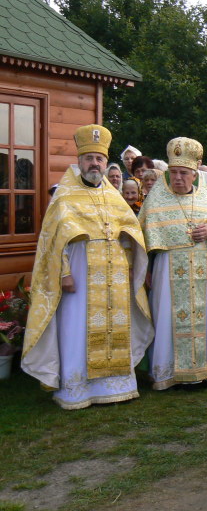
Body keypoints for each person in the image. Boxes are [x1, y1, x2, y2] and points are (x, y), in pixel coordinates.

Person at [21, 125, 153, 409]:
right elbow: (54, 241)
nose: (95, 163)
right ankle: (77, 390)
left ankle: (115, 386)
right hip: (79, 274)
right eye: (89, 158)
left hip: (115, 274)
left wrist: (131, 265)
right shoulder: (64, 196)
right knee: (77, 327)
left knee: (115, 326)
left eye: (100, 159)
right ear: (79, 161)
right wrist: (64, 273)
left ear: (106, 163)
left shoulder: (113, 195)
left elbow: (129, 234)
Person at [140, 137, 207, 389]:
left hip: (202, 268)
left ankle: (206, 369)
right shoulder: (156, 199)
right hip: (167, 268)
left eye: (183, 173)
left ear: (194, 174)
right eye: (174, 172)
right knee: (167, 316)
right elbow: (141, 239)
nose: (178, 178)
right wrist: (145, 269)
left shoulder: (204, 197)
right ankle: (169, 373)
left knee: (206, 315)